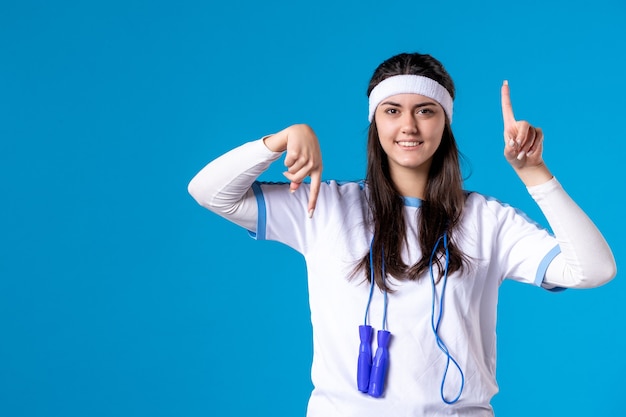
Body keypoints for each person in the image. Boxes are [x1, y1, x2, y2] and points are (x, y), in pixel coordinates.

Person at [187, 52, 616, 416]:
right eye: (392, 110)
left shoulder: (489, 220)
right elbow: (209, 192)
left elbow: (594, 270)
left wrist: (534, 173)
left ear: (444, 123)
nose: (408, 126)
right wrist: (280, 140)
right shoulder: (323, 205)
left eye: (425, 110)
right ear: (375, 122)